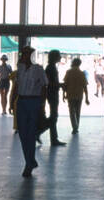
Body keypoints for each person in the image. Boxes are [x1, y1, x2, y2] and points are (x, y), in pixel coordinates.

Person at [14, 47, 47, 177]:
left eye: (27, 54)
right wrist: (13, 101)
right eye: (23, 54)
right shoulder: (20, 69)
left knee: (30, 134)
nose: (24, 56)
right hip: (21, 101)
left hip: (34, 102)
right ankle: (30, 160)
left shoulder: (38, 69)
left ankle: (29, 163)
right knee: (22, 133)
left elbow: (44, 86)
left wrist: (42, 104)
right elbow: (17, 85)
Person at [63, 57, 90, 134]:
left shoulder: (68, 72)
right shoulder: (82, 74)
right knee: (78, 111)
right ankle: (76, 126)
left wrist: (63, 94)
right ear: (79, 64)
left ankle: (74, 126)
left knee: (72, 112)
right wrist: (87, 98)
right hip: (79, 95)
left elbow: (65, 84)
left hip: (70, 95)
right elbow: (85, 87)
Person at [45, 49, 66, 147]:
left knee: (54, 116)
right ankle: (40, 132)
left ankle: (54, 138)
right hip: (52, 93)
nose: (60, 57)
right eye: (59, 55)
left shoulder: (51, 67)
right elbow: (50, 83)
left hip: (52, 93)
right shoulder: (51, 68)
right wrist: (61, 85)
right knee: (54, 116)